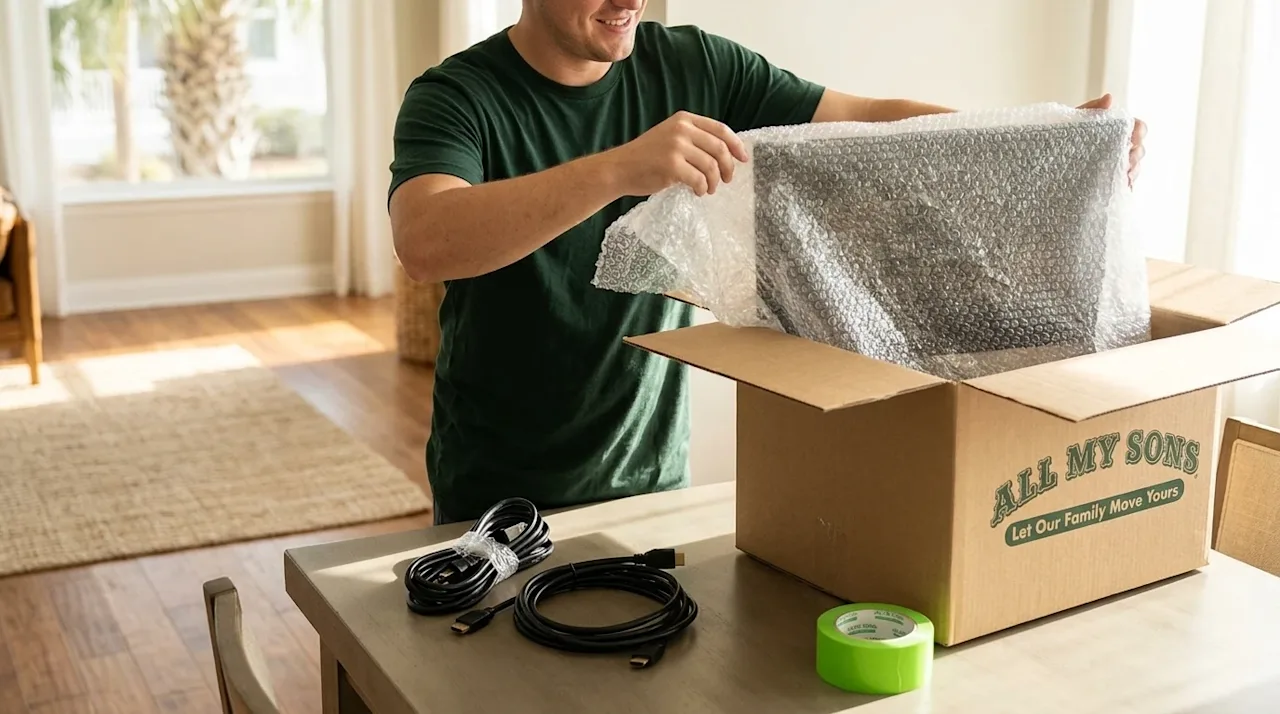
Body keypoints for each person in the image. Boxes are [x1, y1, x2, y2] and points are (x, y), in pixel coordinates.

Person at [388, 0, 1148, 525]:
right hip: (496, 493)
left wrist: (1046, 138)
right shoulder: (458, 95)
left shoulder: (692, 63)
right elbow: (425, 239)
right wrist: (621, 169)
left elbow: (858, 120)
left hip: (650, 482)